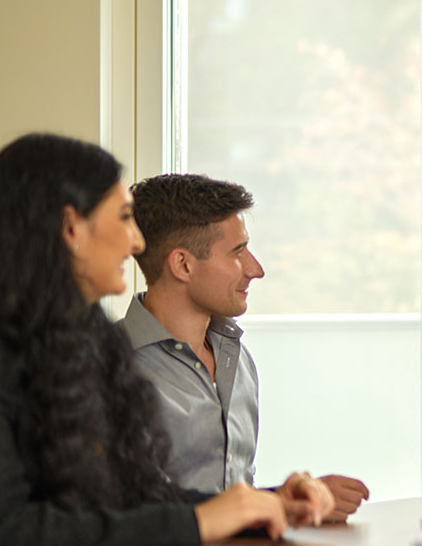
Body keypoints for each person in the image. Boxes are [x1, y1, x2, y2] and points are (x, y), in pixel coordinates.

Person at [0, 134, 334, 546]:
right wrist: (196, 525)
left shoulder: (93, 339)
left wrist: (262, 507)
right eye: (123, 217)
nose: (135, 242)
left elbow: (137, 495)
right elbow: (0, 538)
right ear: (71, 229)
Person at [121, 174, 369, 521]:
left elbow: (230, 499)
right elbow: (128, 512)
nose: (256, 269)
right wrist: (278, 503)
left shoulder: (235, 358)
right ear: (183, 265)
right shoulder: (110, 367)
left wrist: (291, 503)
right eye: (238, 252)